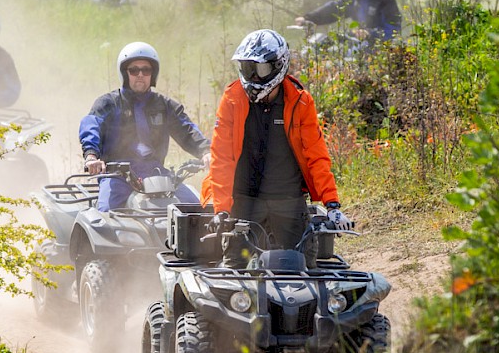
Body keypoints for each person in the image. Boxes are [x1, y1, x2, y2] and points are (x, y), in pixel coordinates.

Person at [202, 29, 353, 257]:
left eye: (259, 69)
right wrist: (221, 209)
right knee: (237, 266)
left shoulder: (300, 102)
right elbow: (220, 157)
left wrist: (332, 204)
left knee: (304, 266)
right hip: (244, 199)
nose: (252, 77)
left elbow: (316, 154)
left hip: (288, 199)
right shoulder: (232, 99)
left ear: (278, 66)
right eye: (247, 68)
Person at [79, 42, 211, 212]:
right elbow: (91, 125)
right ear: (125, 73)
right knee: (106, 218)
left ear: (153, 74)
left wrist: (206, 152)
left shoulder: (165, 105)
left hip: (157, 173)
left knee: (197, 212)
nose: (140, 75)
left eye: (146, 70)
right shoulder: (108, 103)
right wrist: (91, 156)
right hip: (117, 175)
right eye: (134, 70)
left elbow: (187, 130)